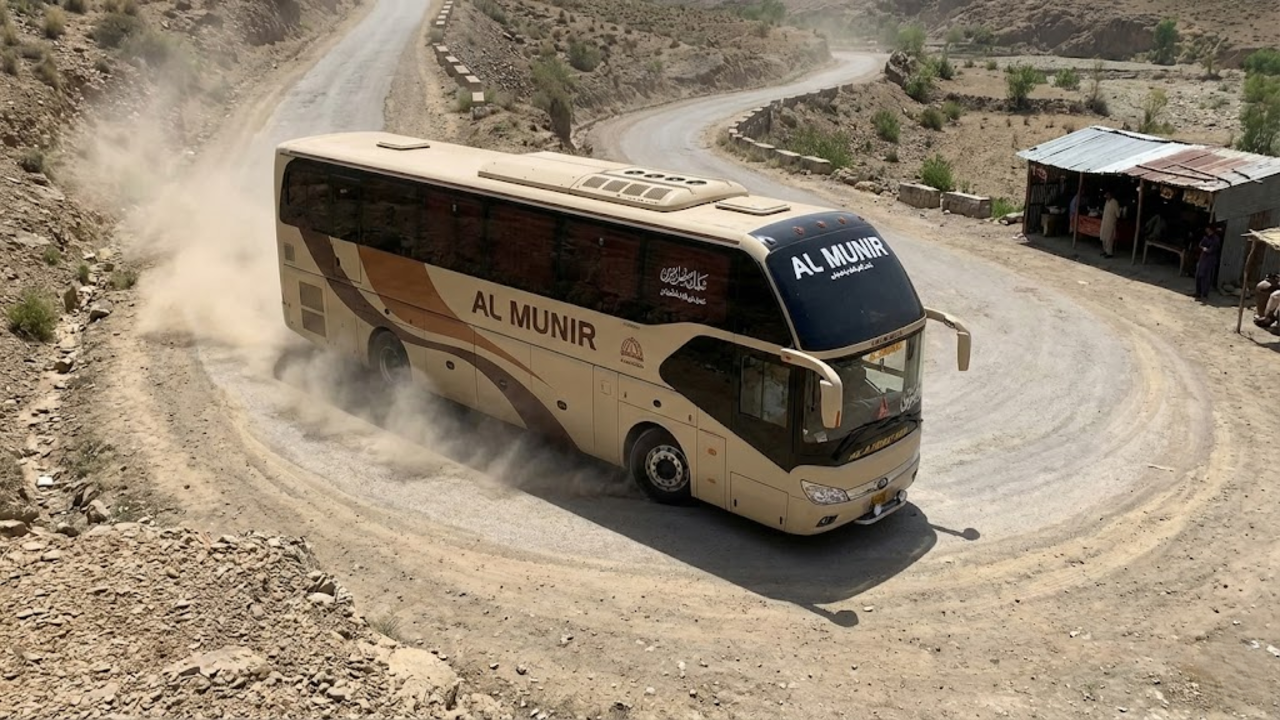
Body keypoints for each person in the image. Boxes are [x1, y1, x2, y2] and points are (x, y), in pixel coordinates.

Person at [1194, 225, 1222, 301]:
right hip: (1203, 258)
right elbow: (1200, 245)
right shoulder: (1206, 237)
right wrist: (1204, 248)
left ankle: (1204, 294)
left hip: (1210, 260)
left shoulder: (1216, 239)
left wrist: (1206, 249)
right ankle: (1198, 293)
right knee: (1199, 275)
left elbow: (1212, 250)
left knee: (1206, 277)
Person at [1100, 190, 1120, 258]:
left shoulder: (1114, 202)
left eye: (1107, 195)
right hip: (1104, 221)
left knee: (1109, 238)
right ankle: (1105, 250)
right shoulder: (1107, 202)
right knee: (1103, 237)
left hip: (1110, 222)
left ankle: (1109, 253)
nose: (1106, 196)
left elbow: (1118, 214)